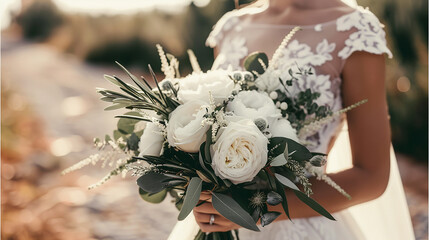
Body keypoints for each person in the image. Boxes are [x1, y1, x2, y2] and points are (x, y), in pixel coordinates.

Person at [168, 0, 415, 239]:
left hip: (300, 225)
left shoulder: (354, 30)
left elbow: (372, 176)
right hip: (222, 225)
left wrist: (257, 209)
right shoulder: (232, 27)